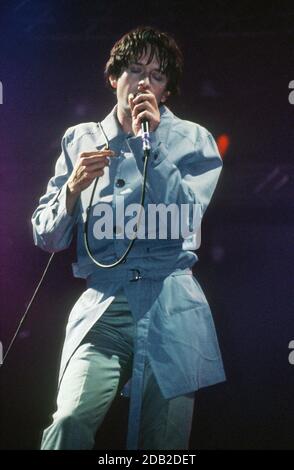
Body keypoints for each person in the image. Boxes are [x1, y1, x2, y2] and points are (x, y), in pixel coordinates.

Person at [32, 26, 226, 450]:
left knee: (162, 446)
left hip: (170, 304)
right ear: (113, 77)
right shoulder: (80, 139)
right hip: (105, 306)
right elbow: (47, 237)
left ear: (167, 90)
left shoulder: (194, 139)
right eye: (135, 70)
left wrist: (152, 147)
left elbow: (185, 220)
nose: (143, 83)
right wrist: (71, 191)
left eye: (156, 76)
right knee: (69, 420)